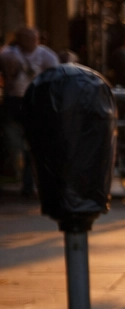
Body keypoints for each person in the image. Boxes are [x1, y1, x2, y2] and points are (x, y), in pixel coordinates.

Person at [1, 27, 59, 196]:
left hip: (36, 104)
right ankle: (16, 174)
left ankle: (29, 184)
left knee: (34, 146)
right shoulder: (9, 54)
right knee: (14, 144)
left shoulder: (47, 56)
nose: (30, 41)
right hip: (13, 104)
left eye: (33, 38)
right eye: (25, 37)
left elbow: (55, 78)